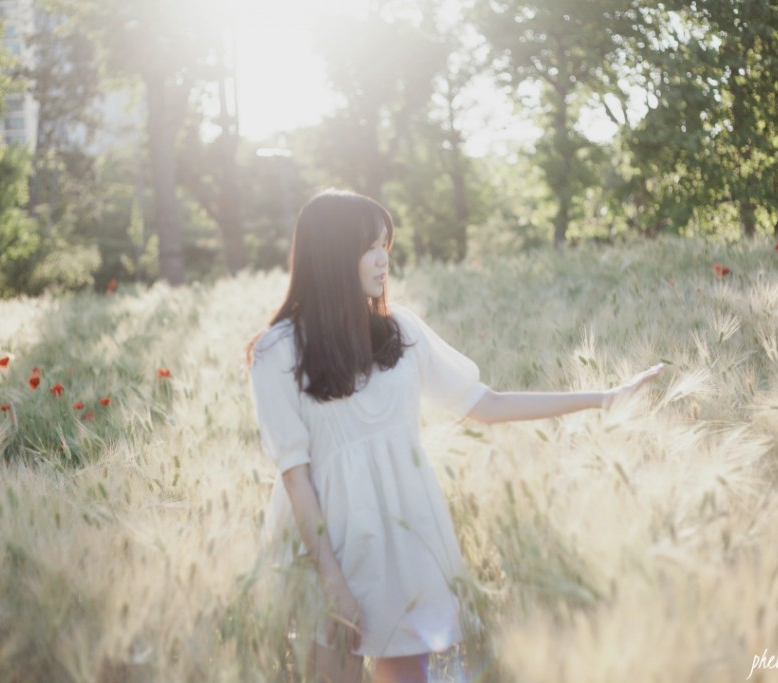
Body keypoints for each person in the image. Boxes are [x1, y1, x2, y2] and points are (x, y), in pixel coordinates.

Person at [248, 189, 663, 683]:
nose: (383, 260)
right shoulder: (277, 351)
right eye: (369, 247)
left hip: (407, 535)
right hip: (329, 544)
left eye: (386, 246)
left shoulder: (400, 330)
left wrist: (603, 398)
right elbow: (296, 476)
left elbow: (486, 404)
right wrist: (332, 580)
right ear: (334, 255)